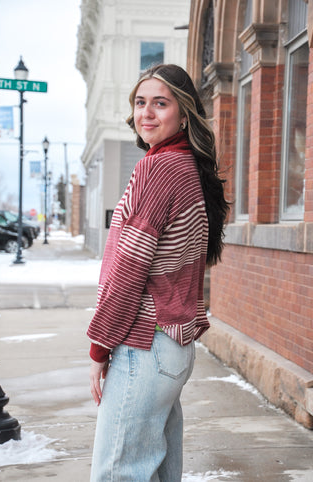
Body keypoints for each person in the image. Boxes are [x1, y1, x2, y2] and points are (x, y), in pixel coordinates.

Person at [88, 63, 229, 481]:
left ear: (183, 114)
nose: (146, 113)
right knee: (157, 471)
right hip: (169, 349)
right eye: (140, 102)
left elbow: (128, 271)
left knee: (118, 472)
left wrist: (99, 347)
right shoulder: (187, 166)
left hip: (144, 344)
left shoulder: (159, 168)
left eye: (160, 103)